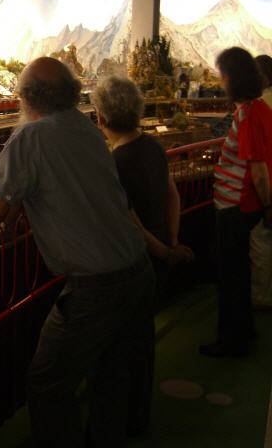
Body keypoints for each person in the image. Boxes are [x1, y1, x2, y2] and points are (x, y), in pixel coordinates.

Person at [0, 57, 155, 448]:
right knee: (110, 374)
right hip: (136, 269)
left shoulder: (30, 137)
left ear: (26, 98)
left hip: (95, 287)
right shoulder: (86, 127)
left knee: (47, 382)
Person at [91, 76, 193, 435]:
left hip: (135, 264)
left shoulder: (113, 164)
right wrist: (173, 242)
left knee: (119, 350)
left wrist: (164, 252)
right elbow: (172, 195)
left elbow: (130, 224)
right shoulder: (153, 147)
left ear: (101, 118)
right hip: (160, 259)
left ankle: (121, 424)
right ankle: (140, 417)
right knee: (143, 341)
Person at [200, 47, 272, 357]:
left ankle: (231, 341)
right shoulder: (260, 109)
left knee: (231, 278)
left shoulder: (248, 115)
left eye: (223, 75)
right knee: (239, 274)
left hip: (236, 207)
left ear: (232, 78)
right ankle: (244, 332)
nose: (221, 81)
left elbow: (258, 169)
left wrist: (268, 206)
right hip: (244, 206)